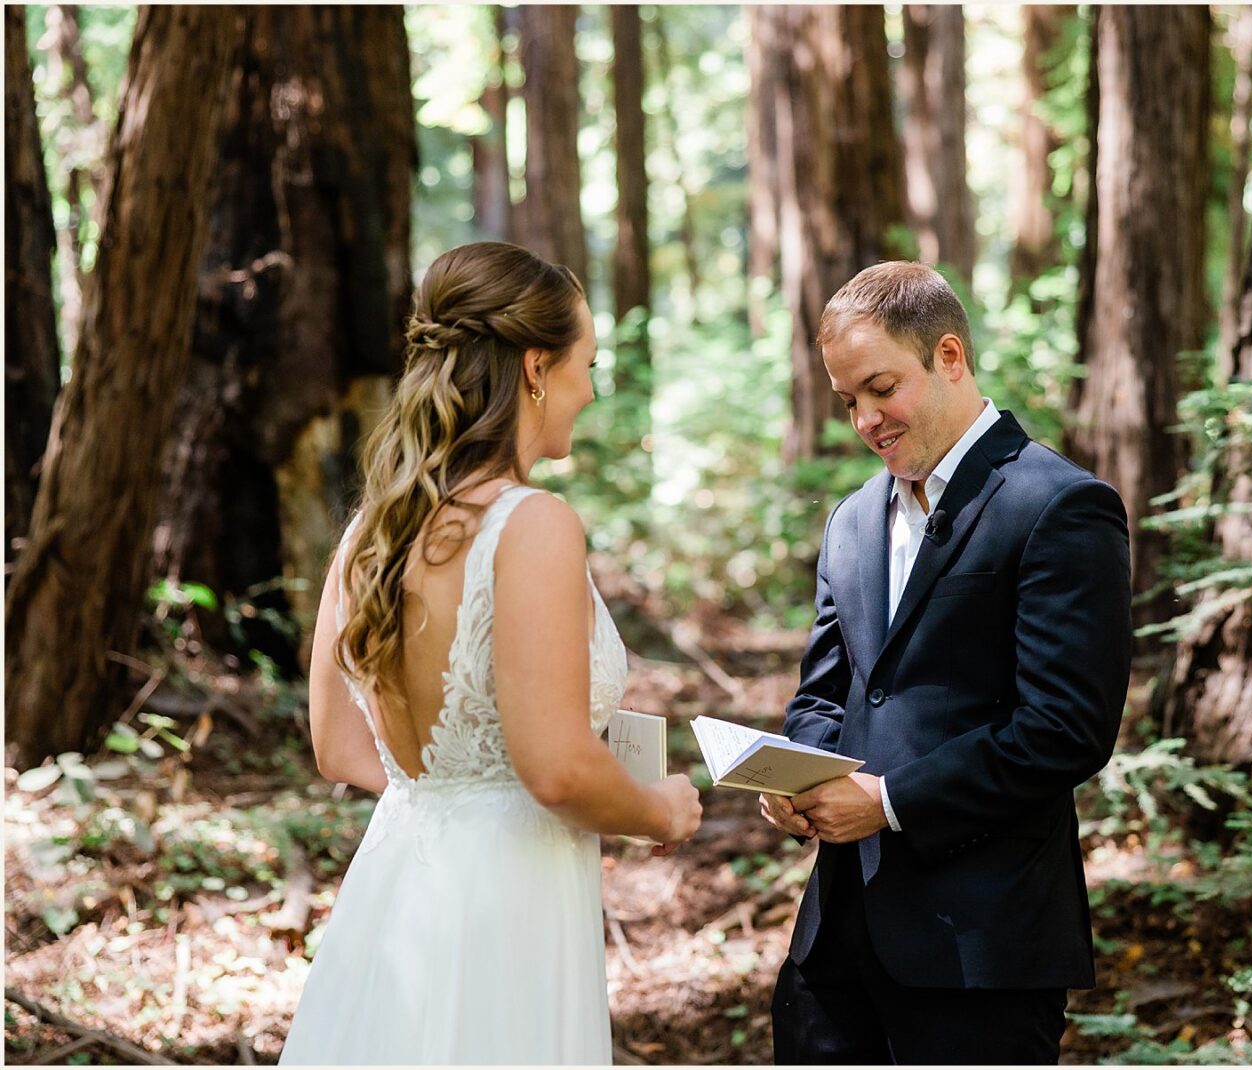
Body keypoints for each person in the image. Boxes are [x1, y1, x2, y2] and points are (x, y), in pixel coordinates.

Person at [280, 242, 701, 1064]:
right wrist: (660, 812)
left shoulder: (372, 531)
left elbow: (336, 747)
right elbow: (557, 771)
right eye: (588, 362)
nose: (592, 387)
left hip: (399, 882)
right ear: (537, 369)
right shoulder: (531, 524)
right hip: (505, 900)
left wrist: (450, 793)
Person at [760, 261, 1132, 1064]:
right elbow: (827, 694)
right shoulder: (852, 521)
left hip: (983, 948)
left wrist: (889, 800)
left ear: (950, 357)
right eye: (848, 399)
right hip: (835, 945)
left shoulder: (1059, 505)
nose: (865, 418)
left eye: (880, 387)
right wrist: (796, 780)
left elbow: (1066, 729)